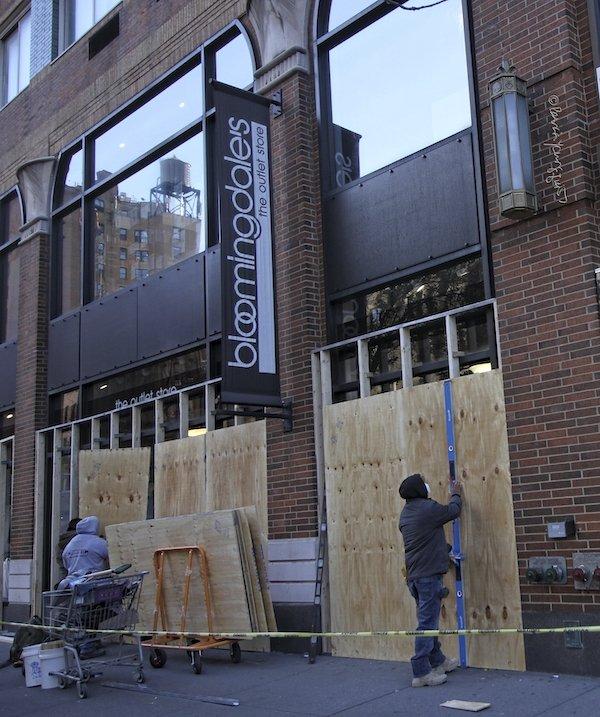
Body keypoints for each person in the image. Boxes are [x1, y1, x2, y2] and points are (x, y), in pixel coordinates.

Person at [399, 473, 462, 688]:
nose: (428, 484)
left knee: (430, 620)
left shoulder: (407, 513)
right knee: (427, 624)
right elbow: (453, 511)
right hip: (427, 578)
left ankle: (438, 661)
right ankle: (421, 672)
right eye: (424, 481)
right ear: (419, 489)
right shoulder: (427, 508)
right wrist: (456, 493)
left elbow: (425, 540)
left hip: (416, 577)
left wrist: (446, 551)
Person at [61, 515, 109, 587]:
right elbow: (111, 555)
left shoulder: (70, 544)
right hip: (95, 582)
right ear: (94, 527)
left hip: (73, 583)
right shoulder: (99, 542)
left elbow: (65, 563)